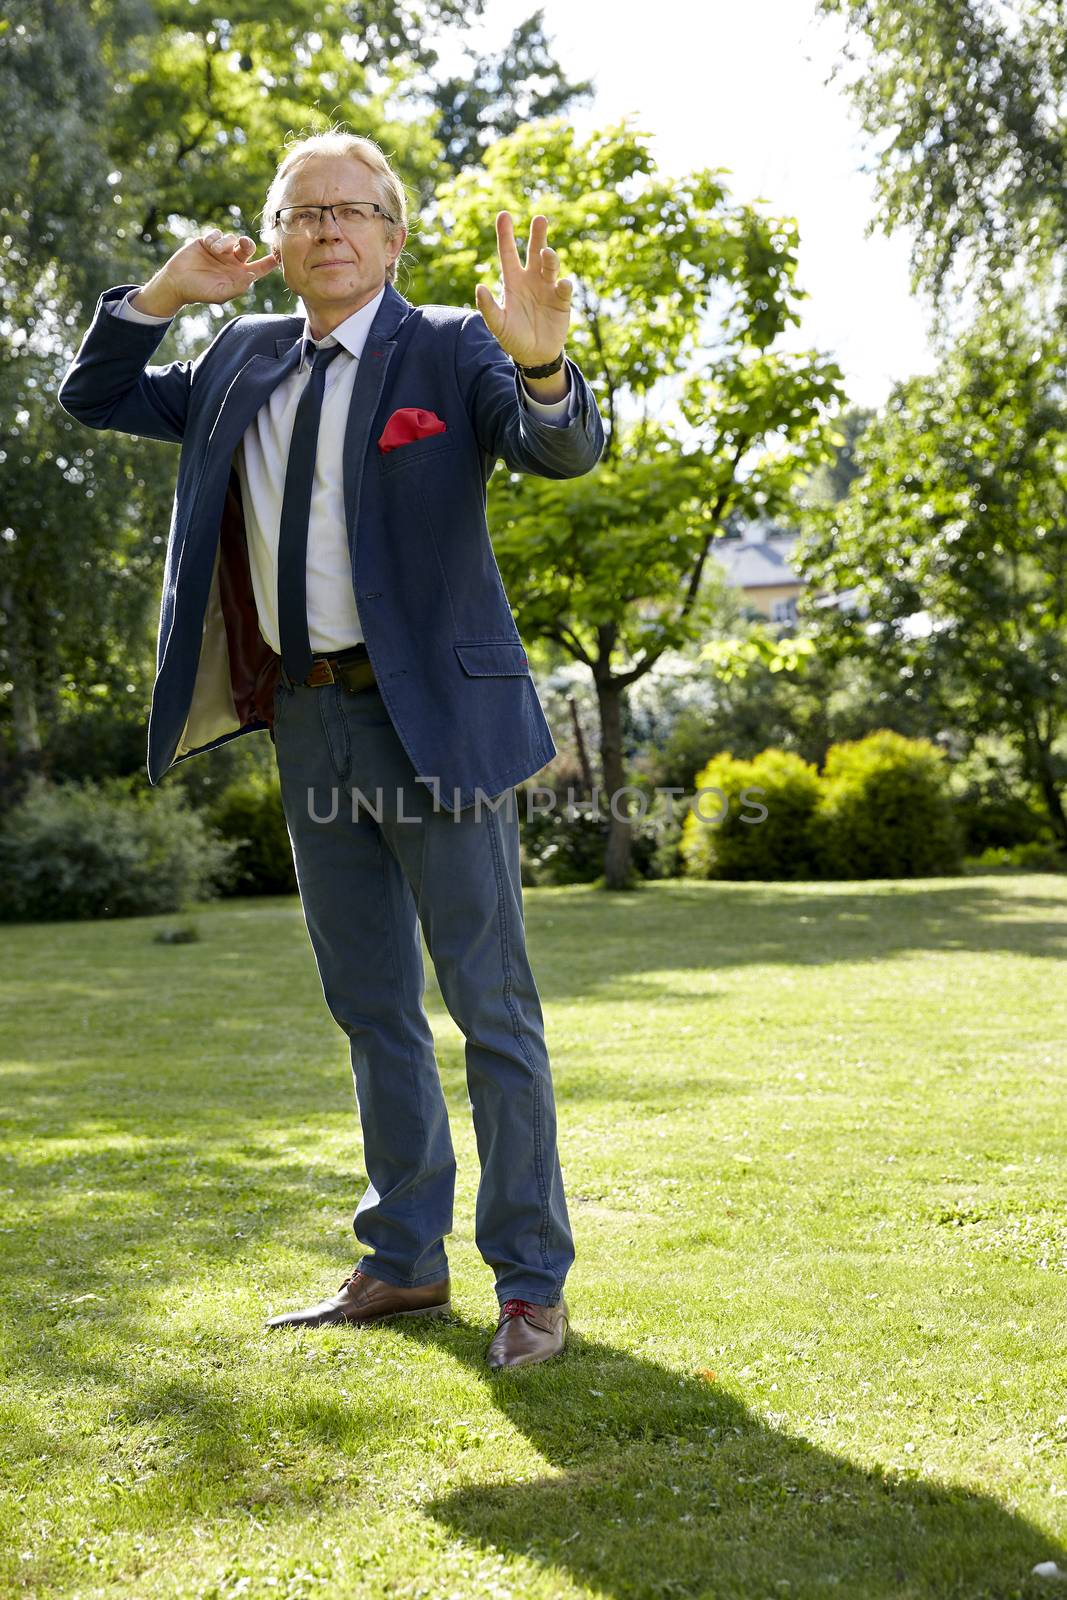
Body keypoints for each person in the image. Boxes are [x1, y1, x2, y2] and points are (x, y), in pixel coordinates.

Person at [58, 131, 606, 1369]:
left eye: (354, 210)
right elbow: (88, 394)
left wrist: (545, 365)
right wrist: (159, 297)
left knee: (489, 1006)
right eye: (303, 212)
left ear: (393, 236)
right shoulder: (238, 359)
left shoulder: (454, 350)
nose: (327, 228)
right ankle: (403, 1260)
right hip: (308, 720)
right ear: (277, 239)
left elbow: (561, 447)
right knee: (368, 1004)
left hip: (441, 725)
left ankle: (529, 1282)